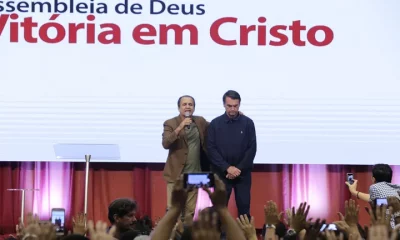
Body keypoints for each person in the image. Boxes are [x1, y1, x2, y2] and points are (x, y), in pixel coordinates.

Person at [207, 90, 257, 217]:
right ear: (224, 105)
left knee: (244, 208)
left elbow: (252, 148)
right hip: (222, 174)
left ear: (239, 105)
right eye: (229, 106)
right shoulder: (215, 124)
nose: (233, 109)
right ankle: (220, 236)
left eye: (236, 106)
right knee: (219, 209)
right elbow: (211, 149)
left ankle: (244, 235)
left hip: (243, 175)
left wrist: (238, 169)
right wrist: (227, 168)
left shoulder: (248, 123)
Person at [162, 95, 209, 219]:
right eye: (184, 104)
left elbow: (216, 127)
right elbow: (166, 143)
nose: (187, 106)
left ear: (193, 107)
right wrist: (180, 127)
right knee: (173, 210)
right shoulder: (170, 123)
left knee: (190, 212)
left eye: (190, 104)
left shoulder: (200, 121)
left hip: (195, 174)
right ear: (179, 108)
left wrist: (234, 115)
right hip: (176, 175)